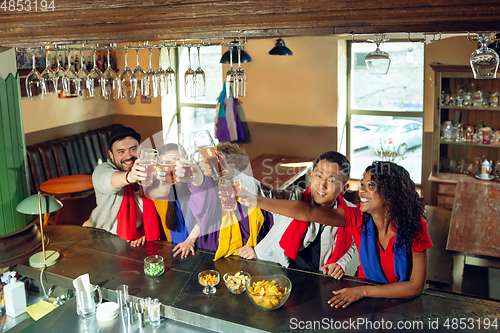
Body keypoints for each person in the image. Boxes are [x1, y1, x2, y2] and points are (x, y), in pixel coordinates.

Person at [238, 161, 432, 308]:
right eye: (361, 184)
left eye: (369, 185)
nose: (361, 190)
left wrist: (362, 291)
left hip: (401, 304)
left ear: (390, 193)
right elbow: (307, 211)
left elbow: (415, 287)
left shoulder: (414, 226)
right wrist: (254, 200)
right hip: (368, 302)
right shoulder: (357, 217)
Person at [210, 151, 356, 279]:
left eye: (331, 180)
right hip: (277, 270)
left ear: (344, 188)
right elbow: (263, 190)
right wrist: (229, 172)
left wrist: (341, 262)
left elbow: (354, 241)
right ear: (311, 176)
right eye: (319, 175)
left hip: (317, 277)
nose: (322, 185)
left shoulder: (349, 213)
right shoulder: (293, 197)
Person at [172, 143, 273, 260]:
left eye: (231, 172)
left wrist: (258, 251)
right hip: (215, 256)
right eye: (221, 173)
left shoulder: (255, 198)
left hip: (248, 258)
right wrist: (190, 240)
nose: (226, 178)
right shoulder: (214, 195)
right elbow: (205, 218)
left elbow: (272, 229)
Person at [84, 126, 160, 247]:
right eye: (121, 152)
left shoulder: (149, 171)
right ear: (111, 154)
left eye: (133, 149)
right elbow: (108, 180)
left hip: (138, 239)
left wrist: (146, 232)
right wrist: (131, 177)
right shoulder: (102, 170)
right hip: (102, 237)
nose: (128, 156)